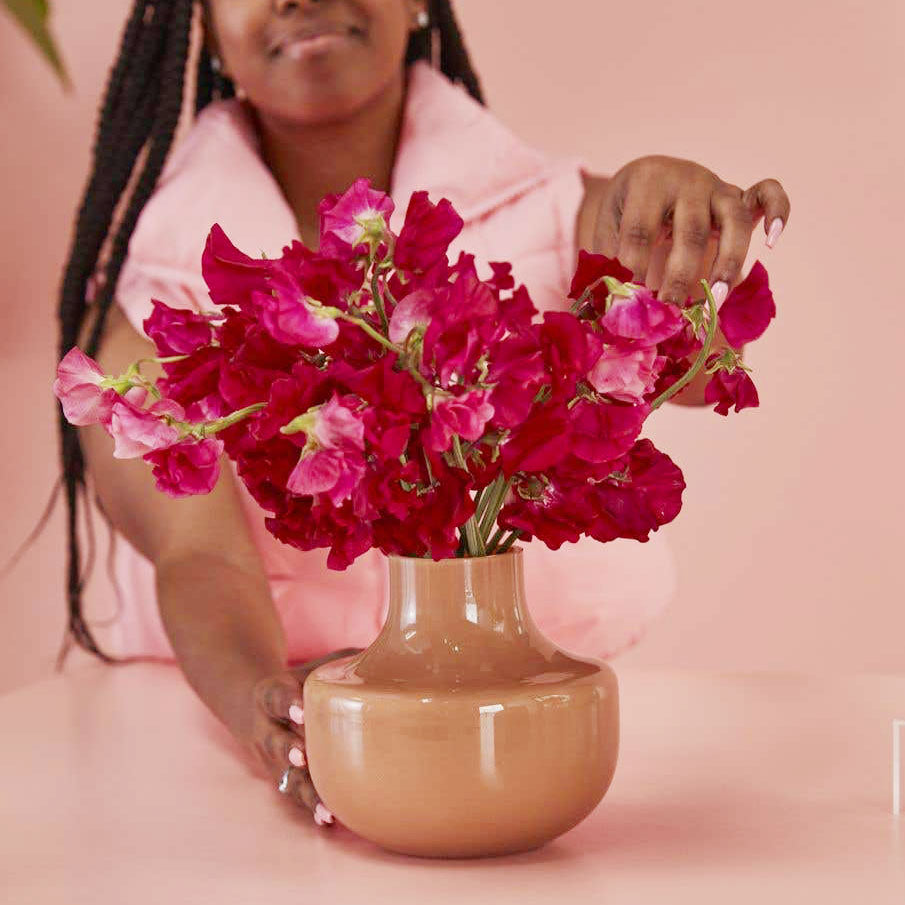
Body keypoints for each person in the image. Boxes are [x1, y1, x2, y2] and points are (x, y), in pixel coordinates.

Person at [56, 0, 790, 826]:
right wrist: (266, 714)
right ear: (205, 26)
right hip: (205, 765)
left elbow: (678, 356)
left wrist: (669, 225)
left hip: (529, 731)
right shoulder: (152, 291)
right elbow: (199, 556)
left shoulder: (557, 212)